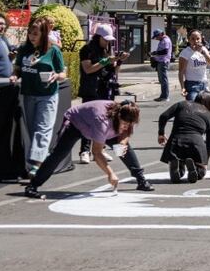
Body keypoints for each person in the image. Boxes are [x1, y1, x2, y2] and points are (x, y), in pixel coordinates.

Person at [24, 100, 155, 199]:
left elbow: (127, 131)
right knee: (59, 154)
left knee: (125, 149)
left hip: (102, 126)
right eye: (125, 124)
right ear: (118, 117)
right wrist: (110, 173)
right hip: (75, 123)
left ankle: (141, 180)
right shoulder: (102, 122)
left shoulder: (127, 114)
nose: (127, 127)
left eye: (130, 124)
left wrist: (122, 142)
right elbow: (97, 153)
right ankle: (33, 185)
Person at [11, 16, 67, 177]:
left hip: (47, 95)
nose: (32, 36)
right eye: (30, 33)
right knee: (32, 130)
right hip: (29, 94)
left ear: (44, 34)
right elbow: (18, 68)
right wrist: (15, 75)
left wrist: (56, 76)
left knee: (42, 129)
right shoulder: (24, 49)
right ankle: (43, 157)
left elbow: (63, 72)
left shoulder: (53, 50)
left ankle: (36, 165)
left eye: (36, 33)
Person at [78, 23, 128, 164]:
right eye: (105, 39)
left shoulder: (107, 50)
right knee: (88, 121)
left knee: (104, 122)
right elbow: (88, 69)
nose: (107, 42)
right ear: (98, 37)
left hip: (105, 89)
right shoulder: (87, 50)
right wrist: (106, 60)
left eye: (109, 40)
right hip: (91, 89)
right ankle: (85, 150)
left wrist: (118, 62)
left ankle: (100, 150)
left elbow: (113, 72)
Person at [159, 92, 210, 184]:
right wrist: (204, 163)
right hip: (195, 143)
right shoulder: (209, 116)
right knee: (201, 172)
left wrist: (161, 134)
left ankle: (178, 169)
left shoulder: (182, 104)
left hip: (176, 141)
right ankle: (196, 171)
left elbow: (163, 116)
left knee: (178, 159)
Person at [178, 30, 210, 102]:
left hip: (204, 84)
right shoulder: (185, 53)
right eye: (193, 39)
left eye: (198, 38)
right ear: (189, 40)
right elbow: (181, 72)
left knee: (205, 110)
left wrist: (203, 53)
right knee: (192, 109)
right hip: (192, 85)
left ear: (201, 39)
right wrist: (182, 87)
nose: (196, 41)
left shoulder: (203, 49)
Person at [150, 28, 173, 102]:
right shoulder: (163, 40)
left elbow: (165, 51)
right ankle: (163, 95)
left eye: (157, 36)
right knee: (162, 80)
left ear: (160, 34)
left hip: (163, 61)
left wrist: (155, 53)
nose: (156, 38)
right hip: (161, 61)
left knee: (163, 80)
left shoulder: (165, 40)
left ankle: (165, 96)